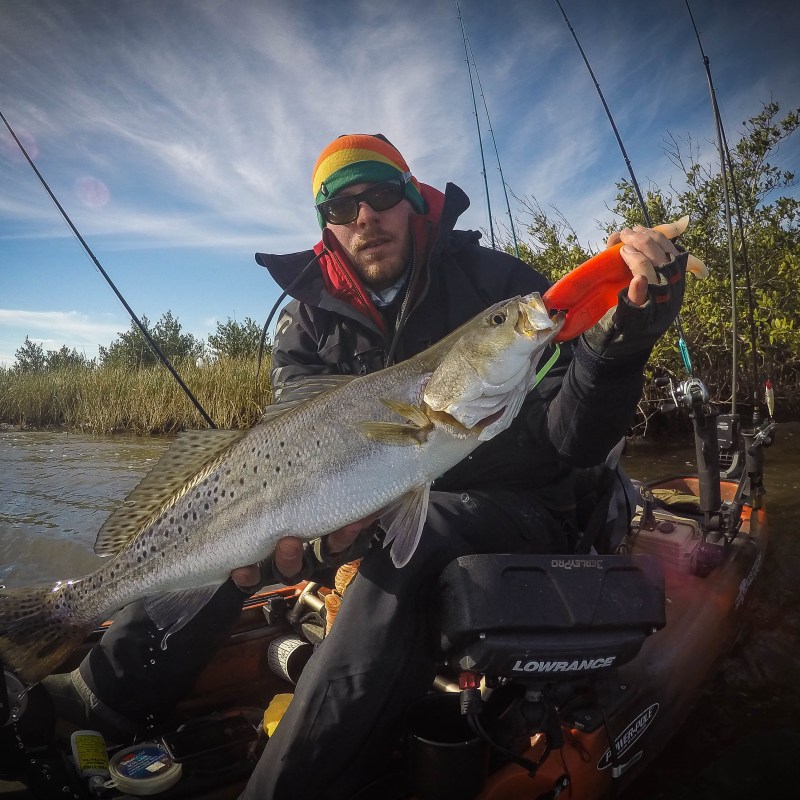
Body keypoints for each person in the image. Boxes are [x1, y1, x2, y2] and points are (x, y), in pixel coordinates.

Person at [43, 133, 686, 798]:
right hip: (350, 502)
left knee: (423, 536)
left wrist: (621, 338)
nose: (365, 217)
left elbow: (573, 440)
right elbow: (290, 440)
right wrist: (315, 541)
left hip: (513, 507)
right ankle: (97, 685)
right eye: (341, 206)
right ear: (326, 223)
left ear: (412, 199)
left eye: (381, 194)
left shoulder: (499, 285)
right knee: (230, 534)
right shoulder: (308, 322)